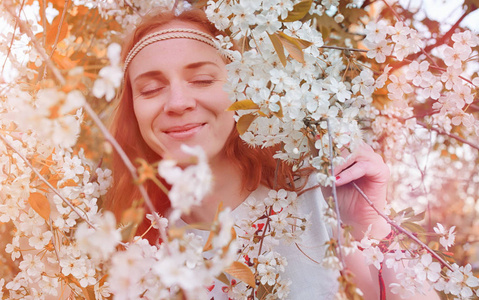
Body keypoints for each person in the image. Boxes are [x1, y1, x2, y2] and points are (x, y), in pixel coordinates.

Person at [105, 6, 440, 300]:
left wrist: (370, 226)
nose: (178, 103)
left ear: (242, 86)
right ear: (133, 111)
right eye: (151, 89)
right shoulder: (135, 249)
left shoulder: (318, 198)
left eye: (203, 80)